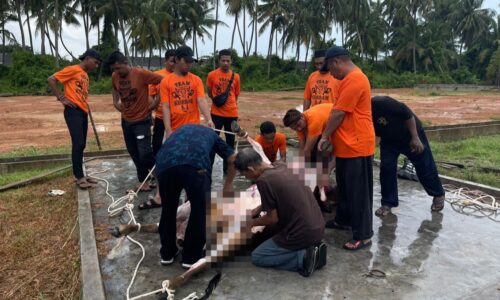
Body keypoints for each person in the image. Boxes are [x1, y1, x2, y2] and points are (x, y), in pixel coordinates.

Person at [233, 148, 326, 277]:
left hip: (303, 233)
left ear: (251, 169)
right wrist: (258, 209)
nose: (247, 178)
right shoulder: (281, 165)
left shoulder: (263, 180)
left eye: (245, 174)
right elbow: (279, 196)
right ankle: (309, 247)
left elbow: (272, 219)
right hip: (317, 226)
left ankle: (304, 258)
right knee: (268, 234)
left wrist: (251, 222)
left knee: (258, 256)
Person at [317, 46, 376, 251]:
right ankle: (344, 220)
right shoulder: (347, 80)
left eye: (331, 70)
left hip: (357, 146)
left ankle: (364, 235)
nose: (331, 74)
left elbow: (339, 113)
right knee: (345, 189)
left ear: (336, 62)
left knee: (358, 193)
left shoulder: (355, 79)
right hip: (346, 147)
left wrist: (324, 136)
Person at [155, 124, 236, 269]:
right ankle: (191, 257)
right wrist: (228, 184)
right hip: (195, 166)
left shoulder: (178, 132)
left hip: (165, 167)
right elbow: (232, 158)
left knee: (168, 209)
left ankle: (167, 253)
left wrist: (160, 190)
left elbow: (162, 156)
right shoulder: (212, 134)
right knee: (200, 211)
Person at [371, 96, 446, 215]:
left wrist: (415, 137)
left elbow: (407, 113)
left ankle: (438, 194)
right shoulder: (359, 114)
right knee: (386, 168)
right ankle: (387, 203)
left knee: (424, 166)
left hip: (409, 134)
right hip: (388, 140)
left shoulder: (381, 103)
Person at [47, 49, 102, 189]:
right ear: (87, 58)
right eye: (95, 63)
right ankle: (78, 177)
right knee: (77, 143)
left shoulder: (85, 75)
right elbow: (51, 79)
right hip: (73, 112)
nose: (96, 66)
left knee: (82, 144)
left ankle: (81, 174)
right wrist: (61, 97)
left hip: (82, 112)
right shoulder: (73, 69)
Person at [110, 51, 163, 192]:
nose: (117, 71)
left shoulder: (141, 74)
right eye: (114, 69)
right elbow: (115, 90)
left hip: (142, 120)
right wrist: (115, 102)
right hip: (126, 121)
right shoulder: (115, 76)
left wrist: (155, 103)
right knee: (133, 151)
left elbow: (164, 81)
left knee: (145, 153)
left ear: (126, 63)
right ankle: (143, 181)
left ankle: (161, 179)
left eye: (119, 68)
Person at [160, 46, 213, 140]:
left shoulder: (196, 80)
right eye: (186, 61)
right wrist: (168, 130)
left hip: (194, 128)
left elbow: (201, 100)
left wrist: (209, 119)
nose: (189, 64)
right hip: (175, 129)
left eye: (191, 61)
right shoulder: (166, 81)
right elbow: (166, 106)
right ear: (177, 59)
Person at [207, 49, 241, 172]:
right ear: (219, 61)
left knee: (230, 141)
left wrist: (230, 104)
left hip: (232, 114)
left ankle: (228, 169)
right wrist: (217, 101)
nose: (225, 63)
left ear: (231, 61)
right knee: (212, 140)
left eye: (228, 60)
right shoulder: (212, 75)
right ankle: (208, 166)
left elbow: (236, 94)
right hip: (216, 113)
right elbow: (209, 91)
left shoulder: (236, 76)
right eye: (223, 60)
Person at [149, 49, 176, 157]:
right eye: (171, 61)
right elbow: (150, 95)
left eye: (176, 61)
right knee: (157, 143)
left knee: (176, 142)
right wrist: (152, 111)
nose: (174, 63)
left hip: (176, 117)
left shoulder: (182, 76)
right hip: (160, 116)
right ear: (165, 61)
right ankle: (156, 165)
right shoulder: (156, 75)